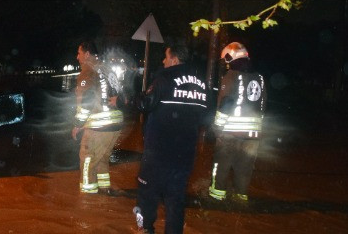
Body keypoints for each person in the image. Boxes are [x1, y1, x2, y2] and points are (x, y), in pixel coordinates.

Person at [133, 42, 209, 234]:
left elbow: (144, 103)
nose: (163, 61)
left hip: (158, 151)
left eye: (166, 57)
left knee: (147, 192)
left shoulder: (164, 77)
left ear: (174, 59)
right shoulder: (201, 83)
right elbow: (208, 117)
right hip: (185, 153)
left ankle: (146, 229)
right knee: (175, 198)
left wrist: (125, 100)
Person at [208, 42, 265, 204]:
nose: (226, 65)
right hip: (253, 135)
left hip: (230, 133)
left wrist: (217, 127)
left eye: (226, 61)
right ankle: (240, 200)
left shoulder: (231, 76)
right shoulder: (260, 78)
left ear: (229, 58)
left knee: (221, 166)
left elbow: (226, 103)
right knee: (244, 169)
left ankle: (216, 199)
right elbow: (263, 106)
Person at [72, 41, 126, 194]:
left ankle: (87, 199)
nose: (77, 57)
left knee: (87, 158)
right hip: (116, 124)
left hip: (100, 125)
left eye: (79, 53)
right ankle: (104, 189)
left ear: (87, 54)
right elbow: (123, 97)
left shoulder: (88, 71)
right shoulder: (108, 69)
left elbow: (86, 101)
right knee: (101, 158)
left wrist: (77, 123)